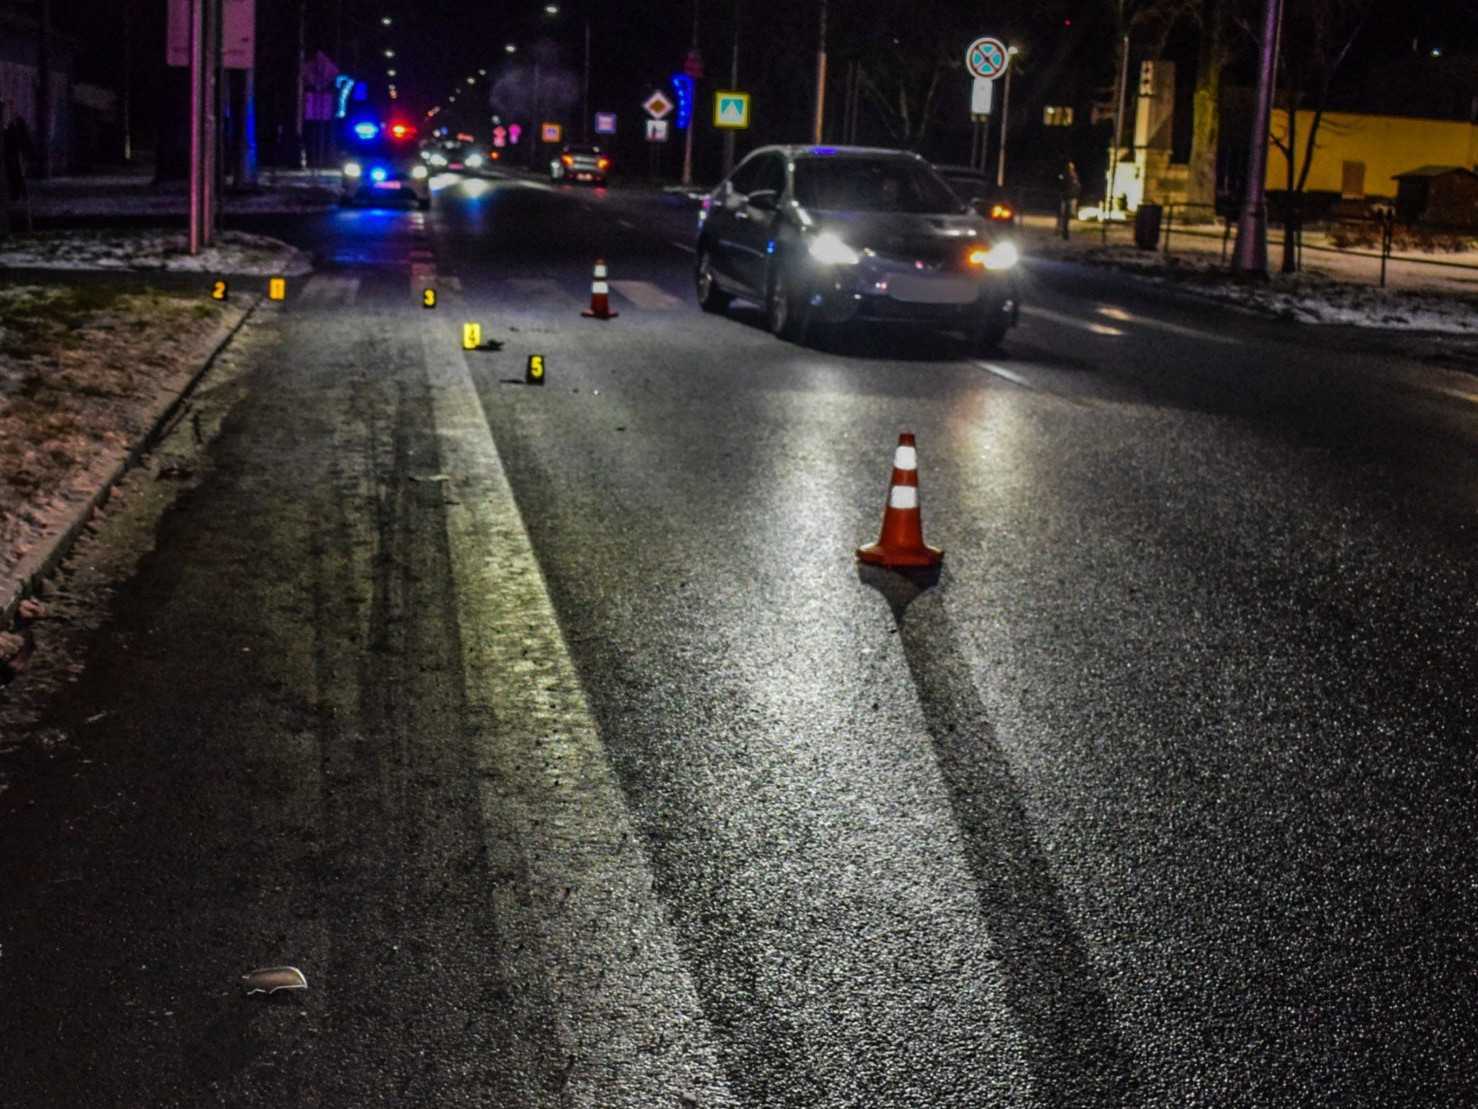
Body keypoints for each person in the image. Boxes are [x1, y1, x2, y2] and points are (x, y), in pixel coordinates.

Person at [1057, 160, 1080, 240]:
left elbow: (1076, 185)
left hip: (1070, 197)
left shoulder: (1073, 175)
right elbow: (1062, 184)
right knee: (1063, 216)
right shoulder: (1066, 175)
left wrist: (1075, 193)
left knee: (1066, 216)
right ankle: (1063, 232)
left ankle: (1064, 233)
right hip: (1066, 197)